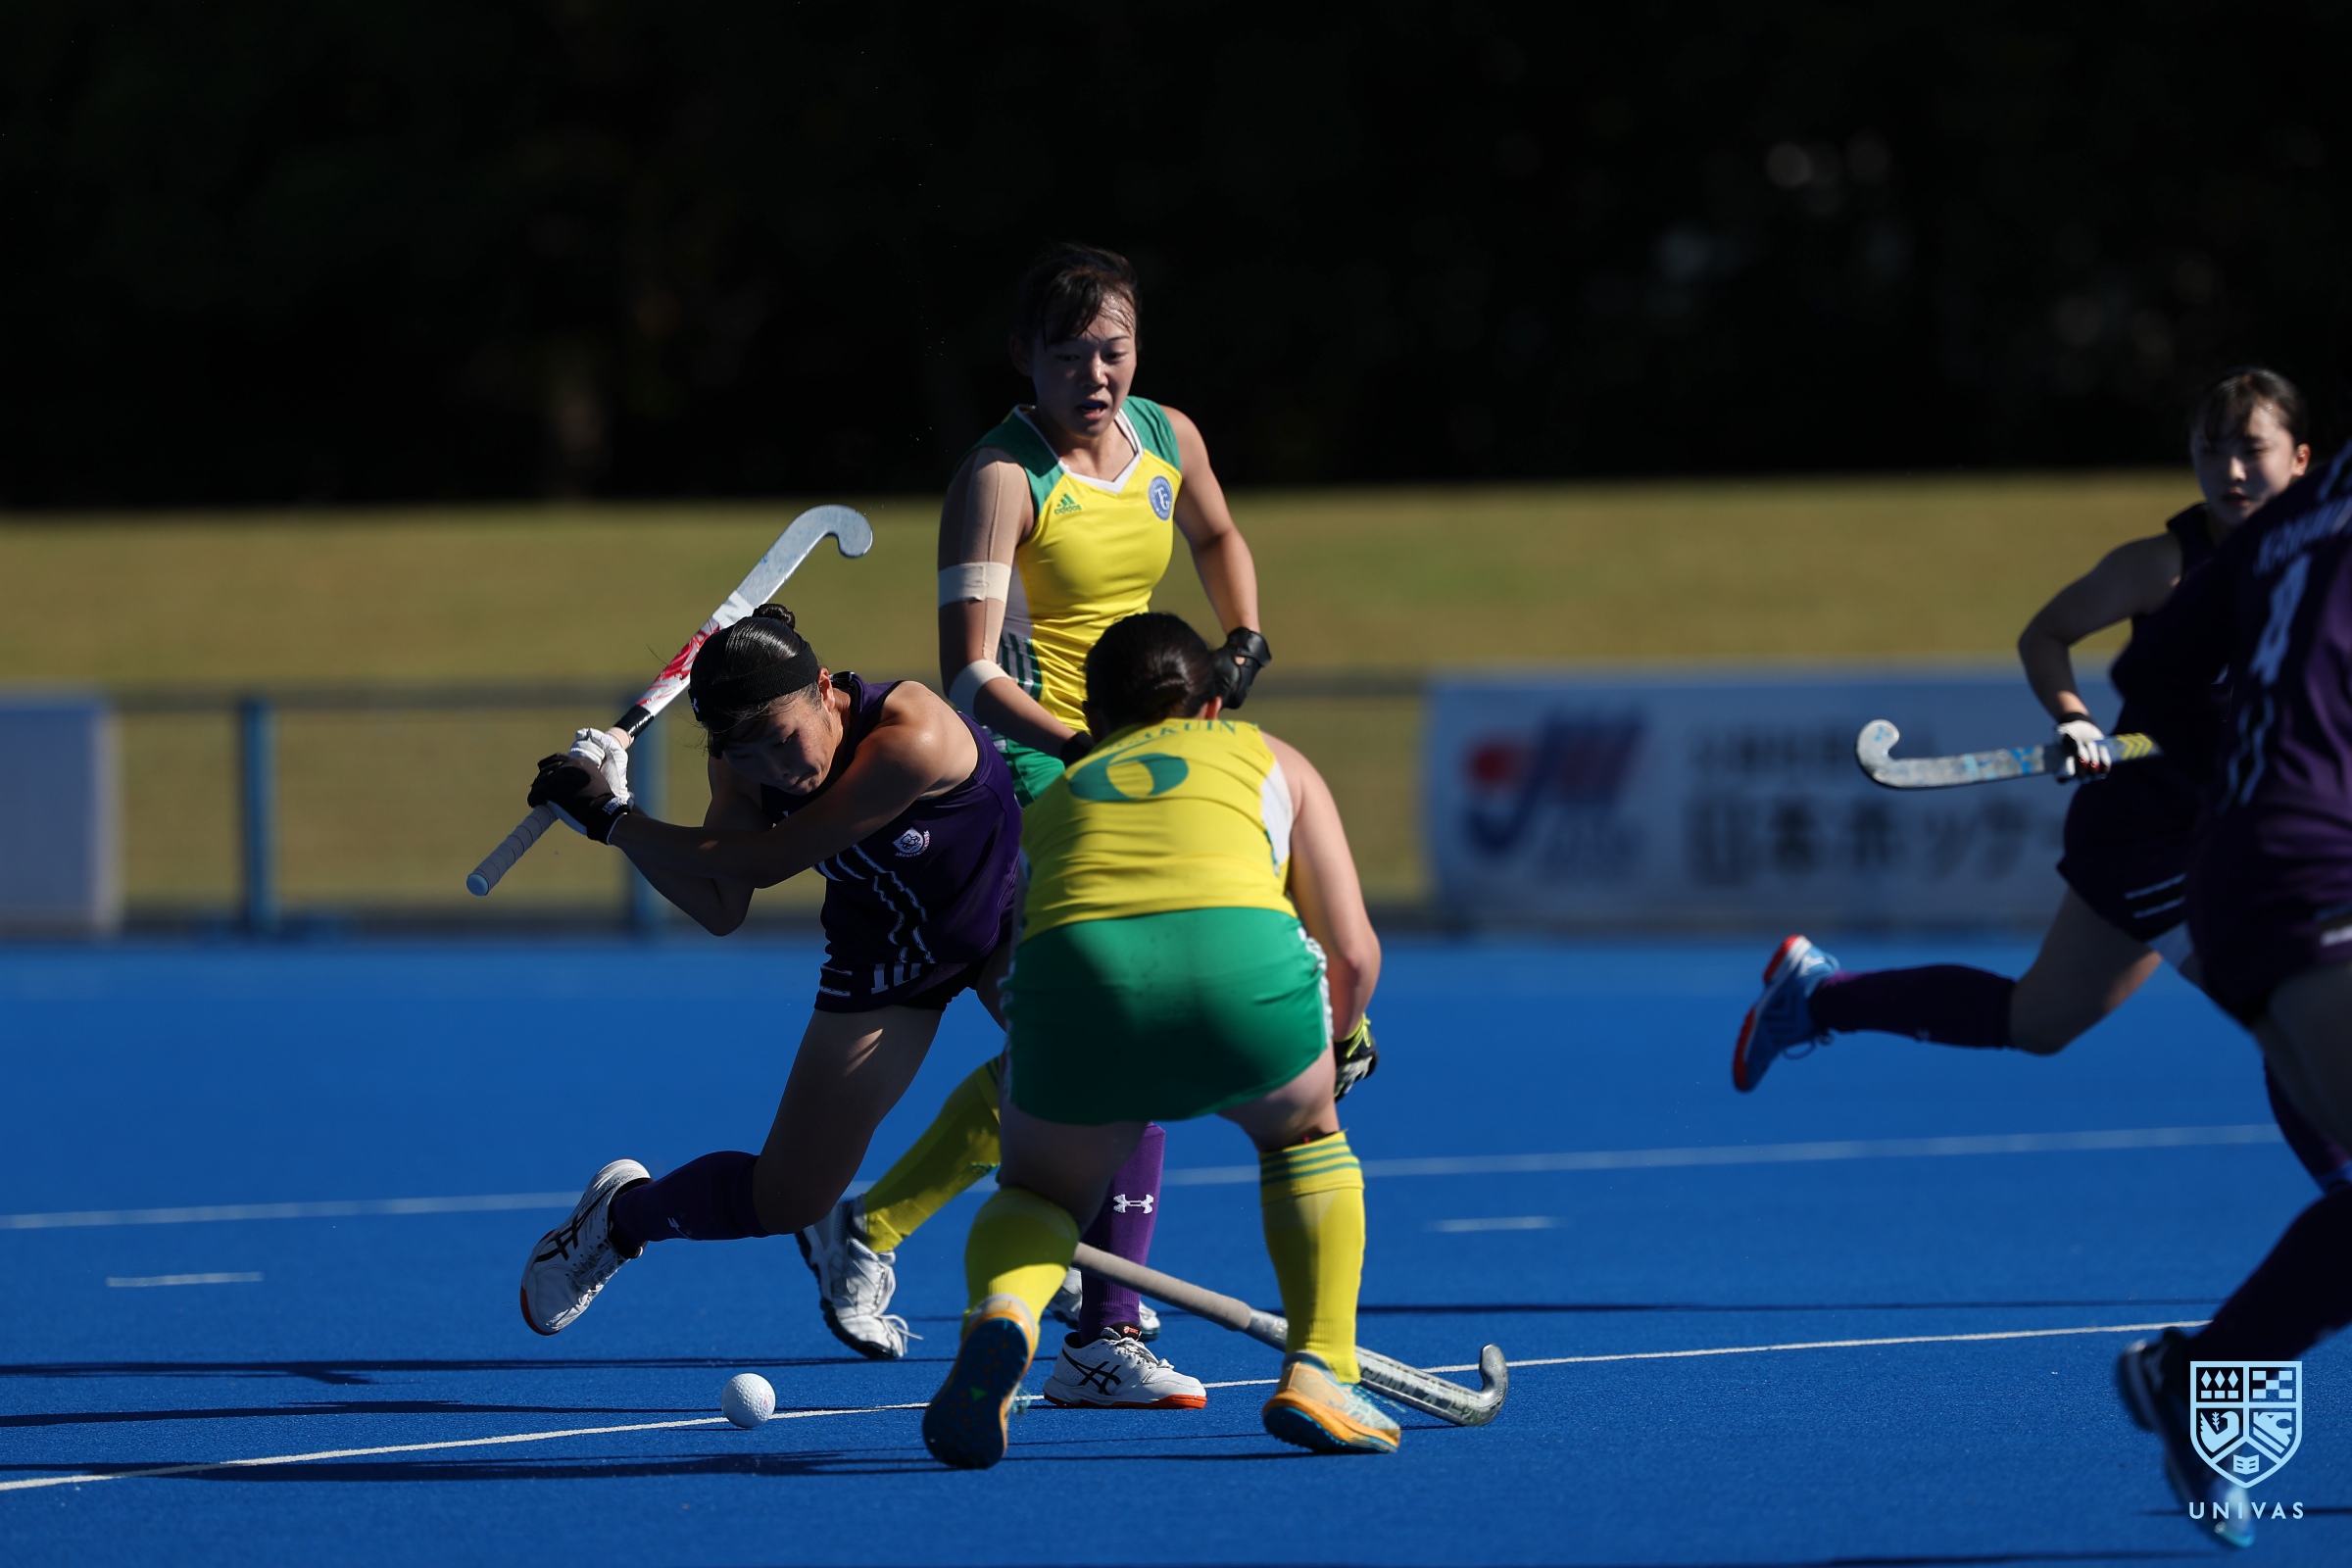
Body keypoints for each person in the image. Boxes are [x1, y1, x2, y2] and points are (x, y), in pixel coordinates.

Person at [795, 245, 1372, 1411]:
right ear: (1026, 359)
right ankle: (1067, 1313)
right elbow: (969, 673)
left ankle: (946, 1251)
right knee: (1115, 1030)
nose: (1096, 378)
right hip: (1041, 763)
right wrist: (1083, 747)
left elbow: (1217, 537)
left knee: (1114, 1035)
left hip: (1153, 736)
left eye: (1114, 352)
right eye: (1069, 358)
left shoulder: (1168, 437)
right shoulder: (1002, 477)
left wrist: (1243, 633)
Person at [1732, 370, 2346, 1194]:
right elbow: (2047, 634)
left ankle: (1816, 997)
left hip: (2243, 828)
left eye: (2252, 450)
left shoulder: (2324, 563)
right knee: (2287, 997)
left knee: (2038, 1021)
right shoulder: (2162, 566)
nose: (2231, 471)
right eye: (2211, 451)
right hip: (2149, 837)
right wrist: (2076, 721)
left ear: (2302, 459)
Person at [920, 612, 1390, 1469]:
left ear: (1091, 719)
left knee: (1040, 1195)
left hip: (1079, 993)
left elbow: (1029, 948)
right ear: (1211, 705)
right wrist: (1336, 1043)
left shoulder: (1058, 799)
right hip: (1243, 991)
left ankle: (1007, 1314)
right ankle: (1322, 1369)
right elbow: (1354, 953)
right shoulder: (1272, 758)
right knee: (1304, 1137)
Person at [514, 605, 1023, 1338]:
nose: (779, 770)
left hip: (1006, 916)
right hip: (885, 956)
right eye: (748, 756)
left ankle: (1103, 1326)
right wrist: (618, 818)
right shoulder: (739, 767)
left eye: (785, 740)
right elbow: (721, 904)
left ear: (825, 687)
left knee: (1092, 1068)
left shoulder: (910, 735)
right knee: (789, 1200)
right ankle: (620, 1219)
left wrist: (614, 820)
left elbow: (769, 860)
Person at [2103, 436, 2352, 1549]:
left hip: (2240, 862)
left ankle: (2202, 1376)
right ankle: (2202, 1373)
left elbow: (2150, 674)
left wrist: (2249, 776)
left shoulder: (2288, 523)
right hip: (2315, 870)